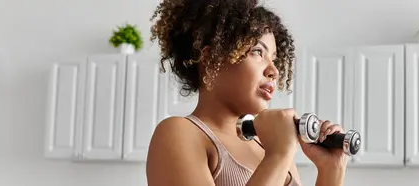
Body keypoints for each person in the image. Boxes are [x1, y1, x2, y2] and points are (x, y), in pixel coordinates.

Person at [145, 0, 348, 185]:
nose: (274, 71)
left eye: (274, 59)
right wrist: (278, 155)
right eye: (257, 52)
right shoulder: (178, 134)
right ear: (210, 59)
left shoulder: (269, 143)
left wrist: (331, 170)